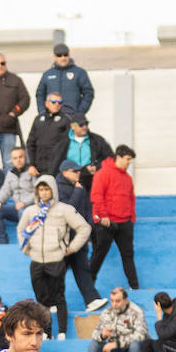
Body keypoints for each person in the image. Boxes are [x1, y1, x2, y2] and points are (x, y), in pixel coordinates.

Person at [17, 174, 89, 339]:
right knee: (41, 300)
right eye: (40, 189)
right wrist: (27, 250)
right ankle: (46, 332)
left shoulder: (64, 210)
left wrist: (71, 248)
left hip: (55, 260)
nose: (43, 193)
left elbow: (84, 228)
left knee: (59, 297)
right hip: (36, 261)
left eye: (46, 189)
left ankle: (62, 331)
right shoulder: (30, 211)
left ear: (53, 190)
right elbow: (21, 230)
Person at [73, 287, 151, 352]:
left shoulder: (136, 311)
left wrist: (117, 344)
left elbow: (141, 334)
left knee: (135, 344)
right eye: (112, 301)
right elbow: (95, 334)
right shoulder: (107, 312)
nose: (114, 304)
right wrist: (103, 335)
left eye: (118, 301)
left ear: (125, 300)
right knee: (94, 344)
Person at [88, 146, 139, 288]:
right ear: (119, 157)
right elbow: (96, 196)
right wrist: (102, 216)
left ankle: (134, 286)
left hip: (125, 223)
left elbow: (131, 198)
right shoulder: (102, 174)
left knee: (128, 256)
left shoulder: (127, 178)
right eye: (128, 159)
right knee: (98, 255)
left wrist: (131, 218)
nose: (129, 163)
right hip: (106, 223)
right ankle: (88, 286)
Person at [57, 161, 104, 308]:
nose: (78, 173)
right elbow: (67, 210)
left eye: (79, 171)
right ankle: (52, 302)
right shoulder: (57, 188)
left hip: (79, 237)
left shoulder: (78, 187)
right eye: (74, 171)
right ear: (65, 172)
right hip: (64, 239)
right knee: (57, 273)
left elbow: (86, 209)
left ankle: (91, 299)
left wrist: (89, 225)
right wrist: (78, 192)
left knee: (83, 269)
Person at [47, 117, 111, 191]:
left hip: (91, 180)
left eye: (86, 124)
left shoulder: (97, 140)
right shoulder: (63, 141)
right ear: (72, 126)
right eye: (81, 124)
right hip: (69, 181)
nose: (84, 127)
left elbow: (109, 158)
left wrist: (97, 166)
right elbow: (55, 162)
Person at [36, 44, 94, 117]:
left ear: (69, 55)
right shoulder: (47, 74)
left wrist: (80, 112)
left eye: (65, 55)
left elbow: (88, 93)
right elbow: (40, 94)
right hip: (51, 118)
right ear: (54, 57)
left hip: (73, 116)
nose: (63, 58)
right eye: (59, 55)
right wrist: (42, 112)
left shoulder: (79, 73)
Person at [0, 145, 33, 244]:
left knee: (22, 212)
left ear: (25, 157)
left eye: (20, 157)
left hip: (30, 208)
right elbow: (5, 190)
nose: (18, 160)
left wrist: (25, 202)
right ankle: (3, 242)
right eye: (15, 158)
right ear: (12, 160)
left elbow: (38, 193)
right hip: (17, 208)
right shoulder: (10, 174)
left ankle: (26, 241)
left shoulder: (31, 171)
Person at [26, 92, 72, 178]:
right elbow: (30, 143)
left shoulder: (66, 120)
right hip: (38, 168)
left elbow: (67, 146)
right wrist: (31, 165)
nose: (57, 104)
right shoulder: (38, 119)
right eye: (54, 101)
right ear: (46, 103)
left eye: (60, 102)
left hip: (57, 169)